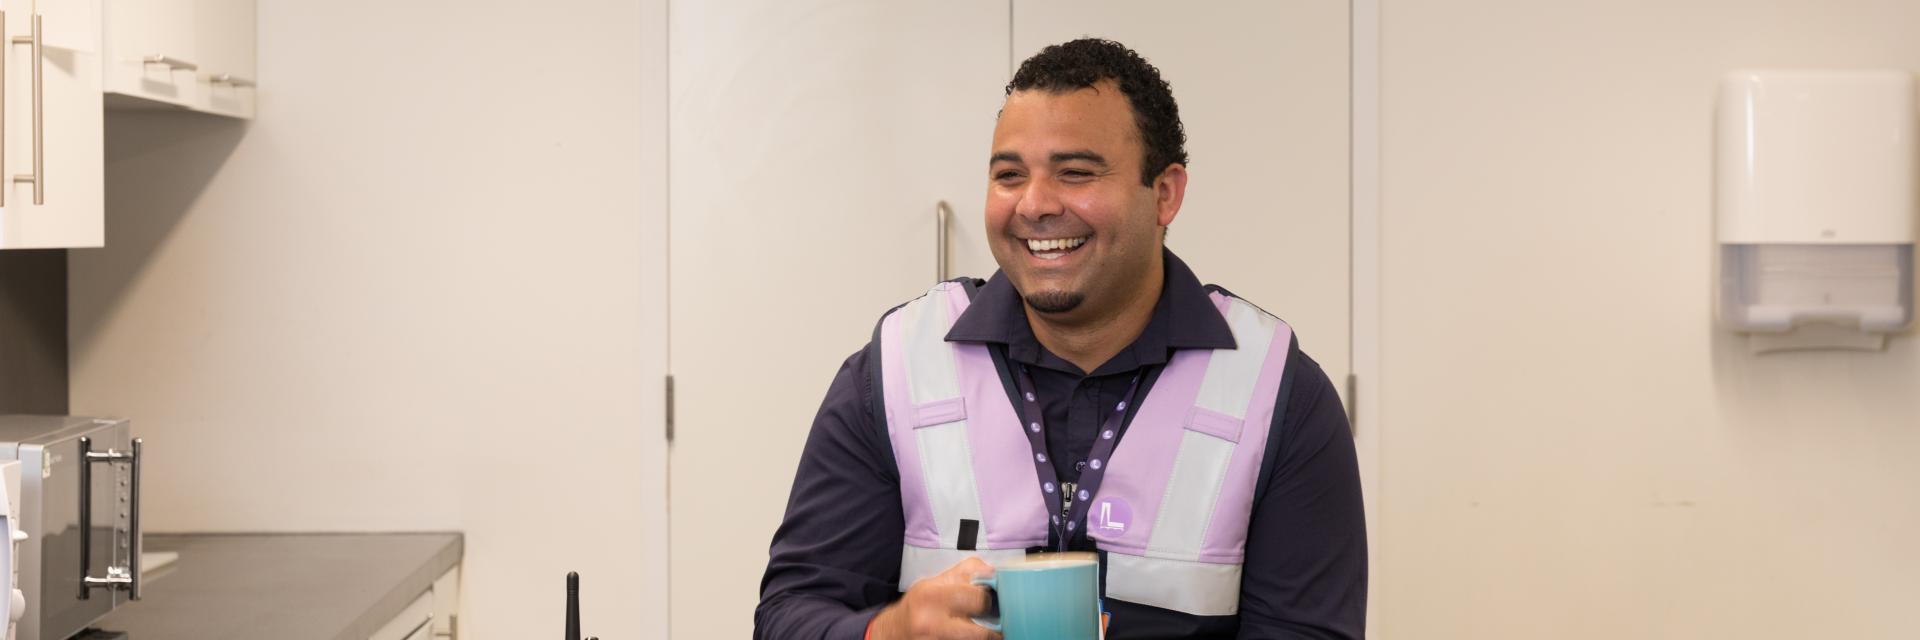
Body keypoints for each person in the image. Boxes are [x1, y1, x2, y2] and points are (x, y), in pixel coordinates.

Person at [755, 38, 1366, 640]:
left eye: (1075, 173)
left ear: (1165, 194)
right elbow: (789, 615)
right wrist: (885, 635)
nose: (1035, 204)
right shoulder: (894, 371)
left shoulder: (1276, 392)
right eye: (1009, 174)